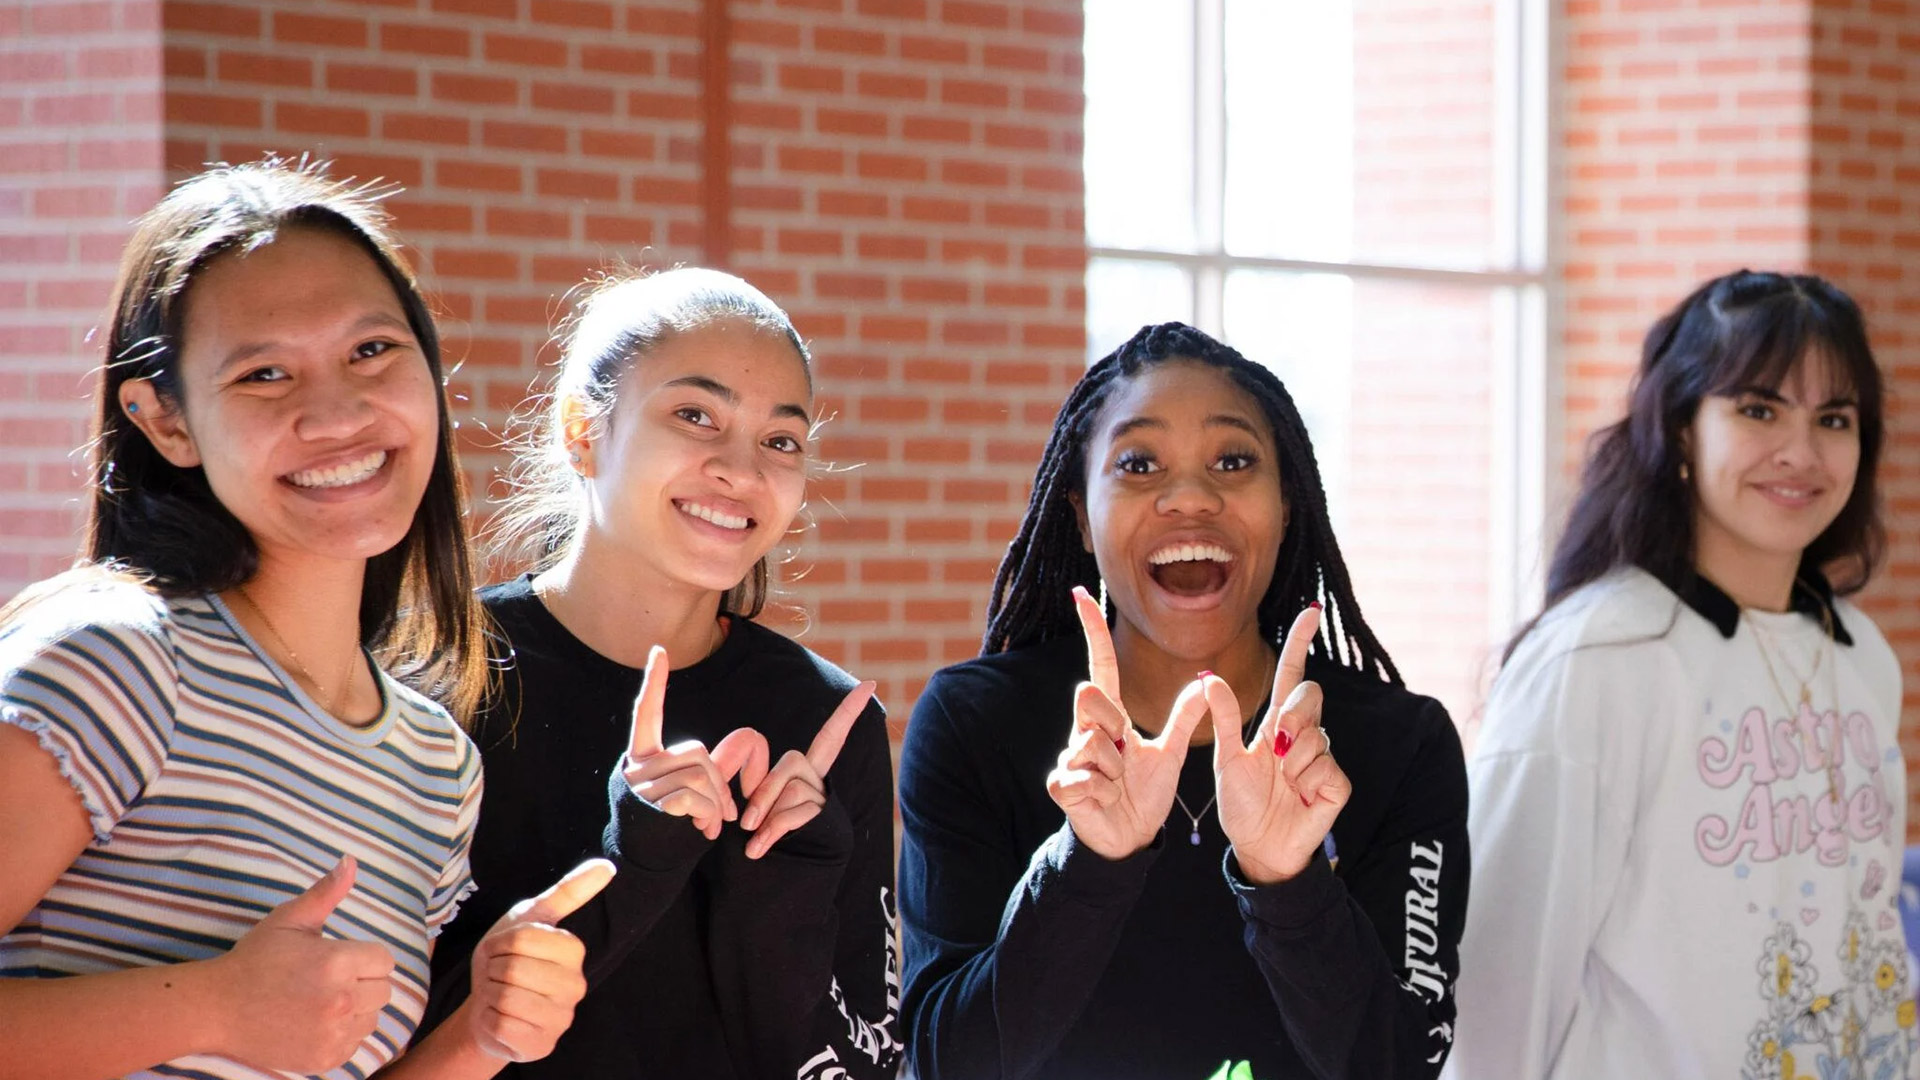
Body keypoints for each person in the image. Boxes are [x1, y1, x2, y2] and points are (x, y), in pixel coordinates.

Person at [0, 159, 607, 1080]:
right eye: (264, 373)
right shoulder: (115, 661)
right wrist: (209, 1006)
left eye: (371, 351)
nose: (337, 414)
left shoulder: (437, 767)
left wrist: (480, 1036)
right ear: (166, 423)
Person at [898, 321, 1469, 1079]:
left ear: (1288, 501)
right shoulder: (976, 725)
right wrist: (1087, 865)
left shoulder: (1399, 746)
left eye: (1233, 461)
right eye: (1139, 464)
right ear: (1079, 512)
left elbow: (1405, 1062)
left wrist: (1288, 885)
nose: (1190, 497)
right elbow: (942, 1062)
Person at [421, 268, 902, 1079]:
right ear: (582, 430)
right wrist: (629, 865)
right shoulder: (439, 673)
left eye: (780, 440)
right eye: (694, 416)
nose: (741, 471)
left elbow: (869, 1062)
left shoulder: (823, 721)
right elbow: (379, 1033)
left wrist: (783, 891)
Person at [1447, 270, 1911, 1078]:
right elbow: (1497, 993)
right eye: (1758, 409)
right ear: (1683, 429)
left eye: (1833, 418)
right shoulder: (1596, 660)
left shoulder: (1860, 655)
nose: (1801, 453)